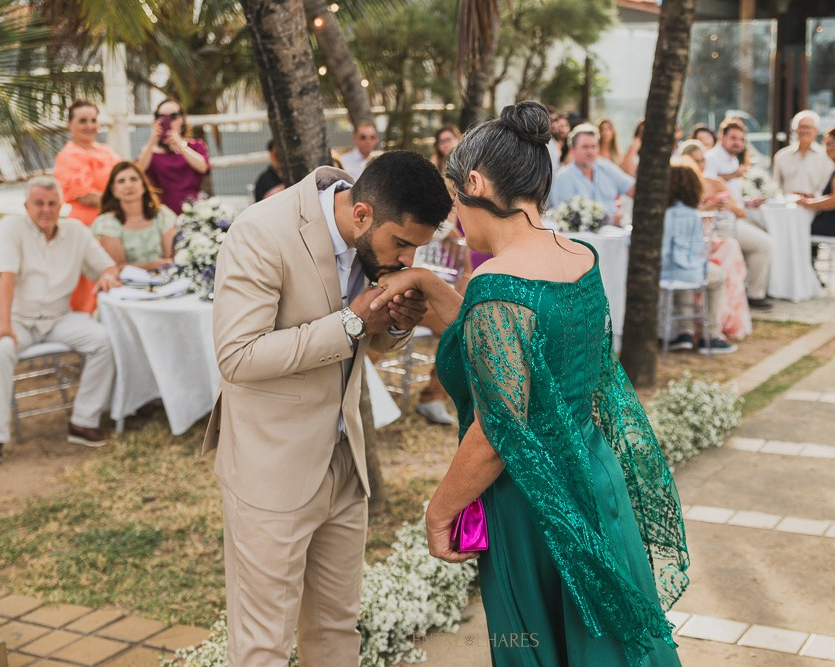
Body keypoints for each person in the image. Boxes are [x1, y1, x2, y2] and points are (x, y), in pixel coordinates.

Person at [369, 100, 688, 666]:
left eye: (454, 202)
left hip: (532, 502)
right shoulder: (579, 257)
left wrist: (440, 509)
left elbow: (497, 429)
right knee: (607, 645)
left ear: (474, 182)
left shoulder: (497, 282)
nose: (457, 221)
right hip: (594, 476)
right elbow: (514, 345)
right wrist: (424, 281)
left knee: (536, 644)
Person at [202, 150, 452, 664]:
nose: (406, 261)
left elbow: (373, 343)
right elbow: (237, 355)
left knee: (337, 630)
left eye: (416, 249)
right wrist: (353, 322)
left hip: (345, 461)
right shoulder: (261, 233)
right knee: (263, 643)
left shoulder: (373, 247)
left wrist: (398, 322)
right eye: (401, 244)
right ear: (361, 214)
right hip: (270, 469)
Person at [0, 177, 120, 466]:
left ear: (61, 206)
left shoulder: (76, 231)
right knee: (0, 349)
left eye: (52, 203)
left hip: (58, 318)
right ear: (26, 206)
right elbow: (7, 278)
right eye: (39, 203)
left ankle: (83, 420)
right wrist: (3, 325)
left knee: (103, 342)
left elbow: (107, 266)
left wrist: (107, 276)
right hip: (15, 316)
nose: (46, 209)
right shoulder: (12, 228)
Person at [677, 141, 752, 340]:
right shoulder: (680, 188)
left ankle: (725, 318)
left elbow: (740, 211)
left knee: (730, 248)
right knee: (727, 251)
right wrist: (704, 207)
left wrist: (725, 205)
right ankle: (705, 326)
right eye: (695, 161)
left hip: (714, 236)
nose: (700, 165)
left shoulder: (715, 182)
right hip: (690, 244)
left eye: (703, 160)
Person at [661, 162, 738, 354]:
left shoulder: (662, 212)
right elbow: (696, 249)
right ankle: (710, 335)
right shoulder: (692, 214)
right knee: (717, 276)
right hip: (684, 270)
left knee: (683, 277)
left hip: (664, 271)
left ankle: (684, 333)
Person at [53, 99, 121, 313]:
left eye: (93, 120)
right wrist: (124, 201)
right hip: (86, 225)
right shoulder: (68, 155)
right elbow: (85, 196)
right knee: (91, 278)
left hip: (114, 221)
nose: (90, 126)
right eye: (83, 121)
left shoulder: (106, 150)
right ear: (70, 124)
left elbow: (126, 176)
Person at [701, 119, 774, 310]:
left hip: (735, 216)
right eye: (733, 138)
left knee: (767, 231)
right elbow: (707, 184)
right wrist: (733, 176)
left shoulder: (733, 160)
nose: (738, 143)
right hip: (719, 223)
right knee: (763, 244)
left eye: (741, 140)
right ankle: (754, 294)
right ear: (721, 137)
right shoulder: (711, 158)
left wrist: (748, 202)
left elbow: (733, 197)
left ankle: (750, 290)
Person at [93, 162, 177, 271]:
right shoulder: (106, 223)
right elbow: (117, 267)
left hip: (166, 279)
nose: (128, 185)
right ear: (113, 190)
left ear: (143, 185)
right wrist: (151, 265)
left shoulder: (163, 215)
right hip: (126, 285)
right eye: (121, 181)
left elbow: (172, 256)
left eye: (133, 179)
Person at [136, 98, 212, 214]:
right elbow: (138, 170)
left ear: (182, 119)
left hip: (192, 209)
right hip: (163, 211)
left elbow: (203, 167)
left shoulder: (195, 146)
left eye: (173, 116)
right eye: (161, 116)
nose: (168, 120)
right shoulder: (150, 151)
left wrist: (180, 144)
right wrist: (152, 140)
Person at [549, 123, 635, 223]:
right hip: (581, 237)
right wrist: (611, 219)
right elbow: (566, 217)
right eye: (585, 147)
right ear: (572, 150)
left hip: (617, 234)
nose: (591, 152)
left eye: (594, 146)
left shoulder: (606, 168)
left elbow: (633, 189)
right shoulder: (563, 177)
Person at [772, 110, 834, 196]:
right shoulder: (781, 156)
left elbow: (828, 186)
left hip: (817, 207)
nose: (804, 131)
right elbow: (776, 187)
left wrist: (811, 198)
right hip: (787, 207)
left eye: (808, 127)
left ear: (816, 130)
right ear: (794, 130)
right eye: (801, 127)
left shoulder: (827, 156)